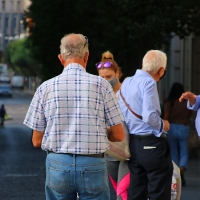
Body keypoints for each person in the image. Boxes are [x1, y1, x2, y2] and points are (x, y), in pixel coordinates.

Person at [23, 33, 125, 200]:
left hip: (58, 165)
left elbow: (36, 140)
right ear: (87, 56)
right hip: (93, 164)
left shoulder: (45, 88)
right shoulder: (103, 86)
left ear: (60, 58)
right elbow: (119, 135)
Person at [118, 50, 173, 200]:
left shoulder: (127, 81)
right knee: (158, 192)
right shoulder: (149, 82)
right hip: (152, 145)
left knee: (137, 191)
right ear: (161, 70)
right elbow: (149, 116)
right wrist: (163, 124)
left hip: (133, 145)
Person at [96, 51, 129, 200]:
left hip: (130, 151)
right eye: (101, 78)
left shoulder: (127, 92)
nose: (104, 81)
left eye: (108, 77)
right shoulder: (99, 96)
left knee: (123, 192)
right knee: (117, 190)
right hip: (111, 151)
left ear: (117, 73)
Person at [163, 82, 192, 186]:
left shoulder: (169, 102)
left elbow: (166, 117)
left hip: (172, 127)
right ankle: (182, 168)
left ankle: (176, 172)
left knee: (173, 151)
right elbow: (190, 114)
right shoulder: (186, 102)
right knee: (184, 150)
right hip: (184, 127)